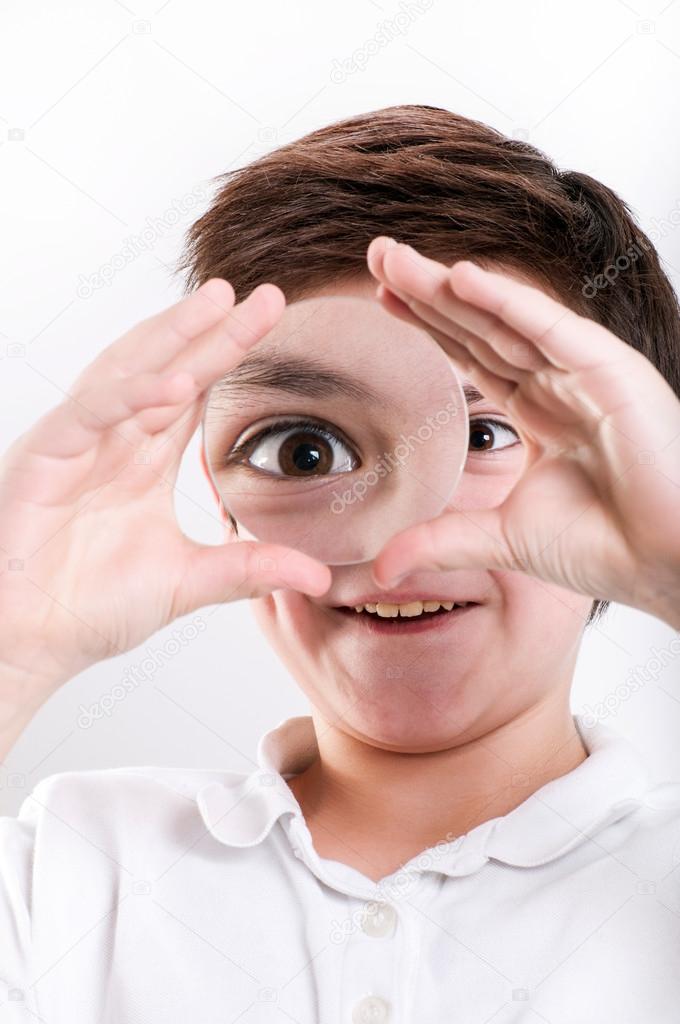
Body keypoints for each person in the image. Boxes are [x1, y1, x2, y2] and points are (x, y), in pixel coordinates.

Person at [0, 104, 678, 1022]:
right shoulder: (72, 868)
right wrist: (14, 640)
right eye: (306, 452)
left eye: (481, 434)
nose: (392, 542)